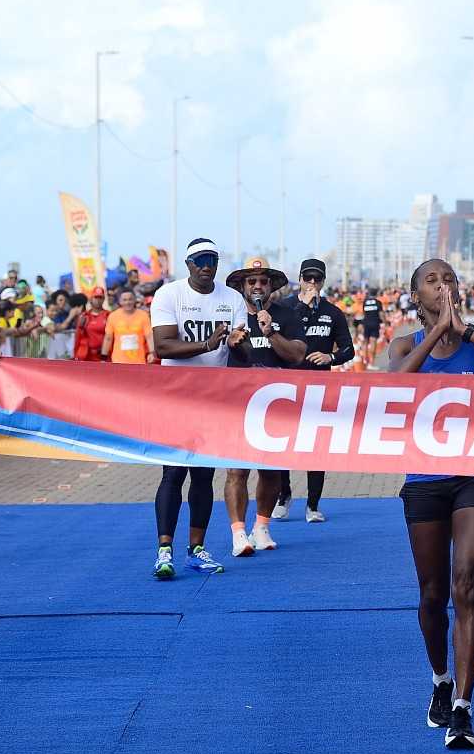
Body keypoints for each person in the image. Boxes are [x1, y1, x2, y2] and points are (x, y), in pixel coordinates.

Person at [388, 258, 474, 749]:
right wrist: (436, 334)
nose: (443, 286)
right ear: (416, 295)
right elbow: (396, 385)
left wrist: (465, 332)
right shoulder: (406, 343)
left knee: (466, 581)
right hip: (424, 477)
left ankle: (464, 709)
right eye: (433, 280)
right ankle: (440, 679)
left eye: (449, 279)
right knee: (432, 594)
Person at [148, 238, 246, 579]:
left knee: (204, 475)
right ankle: (164, 550)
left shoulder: (232, 299)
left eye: (213, 260)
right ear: (188, 264)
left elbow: (241, 355)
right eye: (200, 260)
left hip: (213, 399)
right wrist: (207, 343)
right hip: (176, 397)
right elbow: (163, 345)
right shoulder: (169, 295)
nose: (207, 266)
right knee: (174, 472)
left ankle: (196, 548)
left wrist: (238, 343)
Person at [222, 257, 306, 554]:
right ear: (242, 286)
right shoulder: (230, 314)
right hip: (237, 405)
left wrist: (270, 332)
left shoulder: (287, 313)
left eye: (263, 281)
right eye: (252, 281)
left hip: (275, 407)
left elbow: (297, 355)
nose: (258, 286)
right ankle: (238, 533)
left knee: (271, 472)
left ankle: (261, 527)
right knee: (237, 471)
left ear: (271, 286)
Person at [273, 258, 354, 523]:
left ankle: (313, 504)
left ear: (323, 281)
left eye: (316, 279)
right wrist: (301, 307)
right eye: (307, 278)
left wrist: (331, 358)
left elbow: (348, 349)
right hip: (286, 387)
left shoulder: (332, 312)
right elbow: (273, 340)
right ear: (299, 279)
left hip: (319, 389)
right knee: (282, 443)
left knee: (315, 446)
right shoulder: (284, 308)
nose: (312, 283)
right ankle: (283, 494)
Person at [101, 290, 155, 364]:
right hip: (118, 361)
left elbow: (149, 336)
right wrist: (103, 357)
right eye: (124, 300)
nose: (127, 302)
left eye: (130, 299)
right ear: (120, 301)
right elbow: (108, 338)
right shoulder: (113, 316)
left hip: (138, 361)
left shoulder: (143, 315)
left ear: (134, 300)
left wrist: (152, 353)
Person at [73, 287, 109, 362]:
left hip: (104, 355)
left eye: (100, 298)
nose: (98, 300)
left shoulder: (108, 315)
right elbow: (78, 337)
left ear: (103, 299)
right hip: (87, 355)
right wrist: (76, 354)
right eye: (96, 297)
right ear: (91, 299)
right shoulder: (84, 316)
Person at [359, 287, 385, 364]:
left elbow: (363, 313)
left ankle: (365, 360)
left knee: (365, 341)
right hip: (375, 323)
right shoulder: (378, 302)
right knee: (373, 342)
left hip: (366, 323)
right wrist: (385, 322)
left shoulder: (365, 302)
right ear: (376, 294)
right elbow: (381, 314)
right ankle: (372, 362)